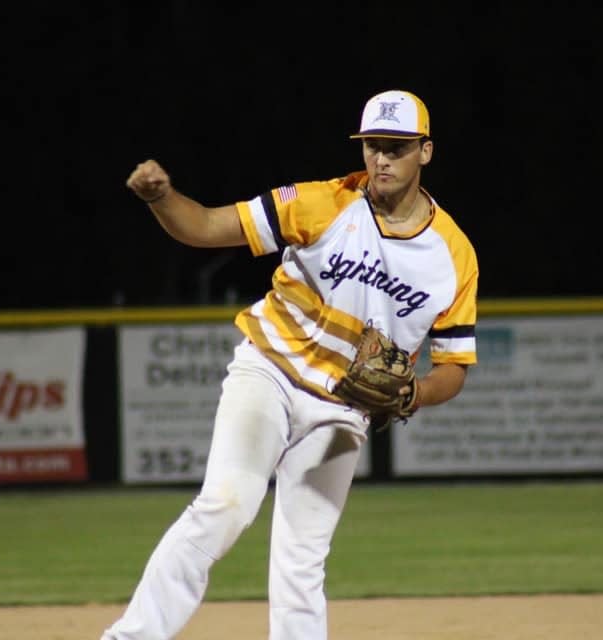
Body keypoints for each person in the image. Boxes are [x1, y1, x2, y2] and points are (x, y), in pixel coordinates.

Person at [104, 89, 478, 640]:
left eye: (396, 147)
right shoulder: (320, 202)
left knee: (303, 555)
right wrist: (162, 198)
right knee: (225, 507)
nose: (381, 158)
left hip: (344, 410)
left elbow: (453, 366)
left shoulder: (453, 255)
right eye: (373, 145)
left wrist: (413, 395)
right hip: (270, 373)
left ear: (425, 152)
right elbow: (205, 227)